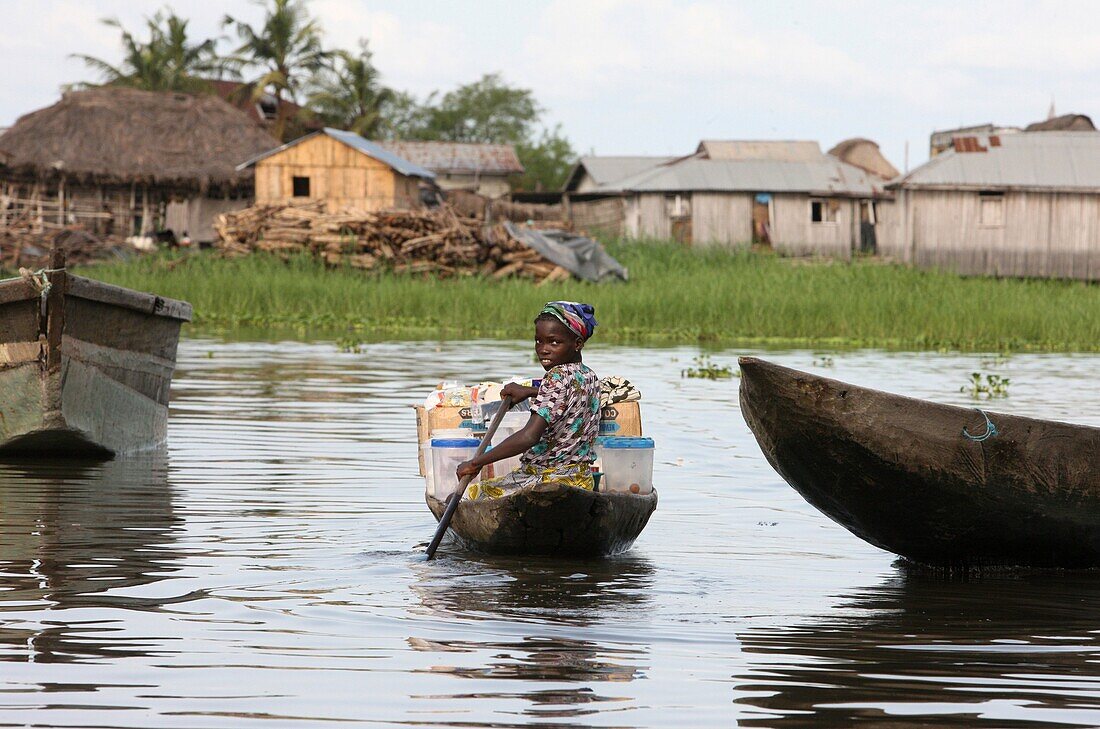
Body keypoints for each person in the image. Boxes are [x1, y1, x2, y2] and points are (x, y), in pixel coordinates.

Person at [458, 301, 601, 499]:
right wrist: (531, 391)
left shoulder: (555, 377)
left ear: (577, 343)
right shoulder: (588, 376)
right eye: (538, 341)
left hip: (544, 479)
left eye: (554, 342)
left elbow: (529, 437)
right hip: (580, 478)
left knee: (469, 496)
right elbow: (567, 397)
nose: (543, 349)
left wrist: (476, 463)